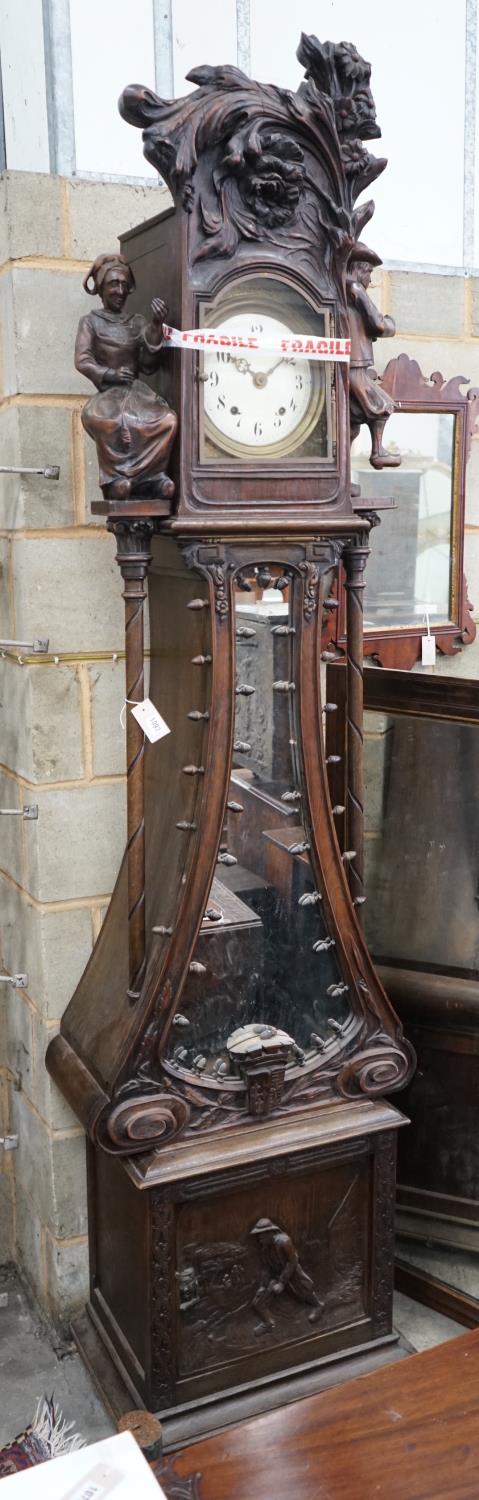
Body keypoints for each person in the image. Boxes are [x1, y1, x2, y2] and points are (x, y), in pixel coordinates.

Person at [75, 253, 178, 502]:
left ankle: (152, 478)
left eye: (124, 284)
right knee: (108, 421)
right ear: (101, 288)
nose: (120, 290)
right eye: (113, 284)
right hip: (109, 393)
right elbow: (83, 360)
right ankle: (115, 480)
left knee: (167, 420)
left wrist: (156, 325)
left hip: (136, 392)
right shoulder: (90, 322)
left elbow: (149, 365)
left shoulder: (137, 322)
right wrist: (110, 374)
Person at [347, 242, 400, 470]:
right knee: (382, 404)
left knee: (351, 421)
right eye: (368, 272)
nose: (370, 279)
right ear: (358, 269)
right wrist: (391, 324)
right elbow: (378, 324)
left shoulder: (343, 289)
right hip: (354, 364)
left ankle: (342, 471)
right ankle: (377, 452)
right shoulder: (355, 289)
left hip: (352, 362)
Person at [250, 1218, 324, 1332]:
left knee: (304, 1290)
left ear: (269, 1232)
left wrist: (282, 1282)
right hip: (276, 1276)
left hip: (292, 1273)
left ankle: (318, 1306)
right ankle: (269, 1323)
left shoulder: (284, 1241)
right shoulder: (265, 1249)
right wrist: (263, 1286)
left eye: (261, 1235)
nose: (259, 1238)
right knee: (258, 1301)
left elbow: (293, 1261)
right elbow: (266, 1268)